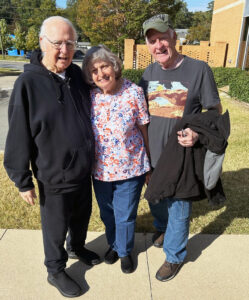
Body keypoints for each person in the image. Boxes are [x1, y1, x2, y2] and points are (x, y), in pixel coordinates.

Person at [4, 16, 100, 298]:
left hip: (83, 171)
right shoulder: (28, 83)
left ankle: (77, 247)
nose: (64, 50)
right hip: (54, 175)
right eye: (57, 43)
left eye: (70, 43)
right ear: (42, 42)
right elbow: (19, 134)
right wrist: (22, 180)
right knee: (55, 227)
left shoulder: (76, 77)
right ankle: (55, 268)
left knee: (82, 217)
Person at [139, 14, 223, 282]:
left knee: (179, 207)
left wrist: (197, 133)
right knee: (157, 198)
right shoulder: (148, 74)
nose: (159, 45)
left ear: (174, 37)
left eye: (163, 37)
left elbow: (215, 111)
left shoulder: (199, 70)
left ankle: (174, 256)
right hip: (153, 155)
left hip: (182, 155)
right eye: (152, 41)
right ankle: (162, 229)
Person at [82, 45, 151, 274]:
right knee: (107, 213)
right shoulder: (90, 96)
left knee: (125, 214)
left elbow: (143, 129)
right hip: (100, 170)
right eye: (94, 70)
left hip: (131, 167)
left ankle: (124, 252)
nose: (100, 73)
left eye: (104, 66)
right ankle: (114, 244)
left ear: (115, 66)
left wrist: (149, 163)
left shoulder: (134, 92)